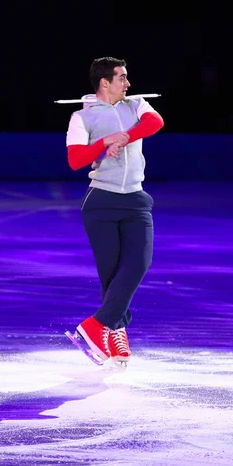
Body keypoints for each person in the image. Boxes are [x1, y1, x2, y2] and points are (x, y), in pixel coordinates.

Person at [65, 57, 164, 365]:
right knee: (111, 274)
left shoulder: (136, 106)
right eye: (122, 78)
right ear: (104, 82)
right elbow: (76, 159)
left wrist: (126, 136)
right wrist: (106, 141)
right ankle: (116, 331)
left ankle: (96, 326)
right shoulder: (81, 118)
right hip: (101, 202)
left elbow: (156, 123)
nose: (128, 83)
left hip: (135, 199)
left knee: (139, 262)